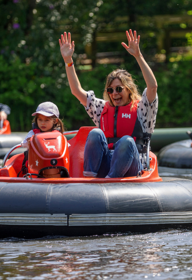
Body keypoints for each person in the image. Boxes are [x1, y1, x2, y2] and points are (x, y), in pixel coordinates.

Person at [59, 29, 158, 178]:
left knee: (126, 141)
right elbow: (77, 91)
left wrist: (138, 56)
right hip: (106, 164)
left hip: (131, 166)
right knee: (95, 133)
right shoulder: (102, 109)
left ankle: (111, 180)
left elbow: (152, 87)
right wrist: (68, 62)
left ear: (129, 89)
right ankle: (90, 179)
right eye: (110, 90)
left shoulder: (142, 110)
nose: (114, 93)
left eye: (119, 89)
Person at [20, 102, 65, 178]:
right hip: (35, 167)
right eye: (40, 120)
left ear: (55, 121)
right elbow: (24, 145)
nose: (42, 123)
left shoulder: (59, 136)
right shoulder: (32, 134)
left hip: (56, 168)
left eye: (46, 120)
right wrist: (30, 142)